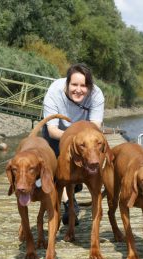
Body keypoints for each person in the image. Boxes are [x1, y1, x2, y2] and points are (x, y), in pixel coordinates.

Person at [42, 63, 105, 225]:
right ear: (67, 83)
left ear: (89, 86)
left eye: (83, 86)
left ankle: (75, 187)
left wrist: (82, 143)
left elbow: (95, 128)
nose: (78, 89)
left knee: (79, 172)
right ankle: (68, 204)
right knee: (58, 171)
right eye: (74, 85)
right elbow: (52, 130)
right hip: (58, 134)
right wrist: (73, 139)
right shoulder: (54, 91)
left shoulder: (97, 95)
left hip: (85, 136)